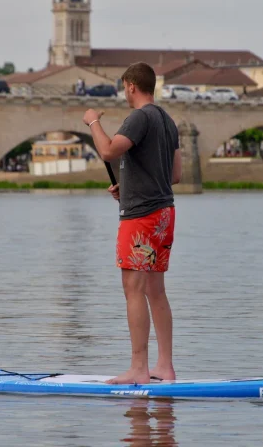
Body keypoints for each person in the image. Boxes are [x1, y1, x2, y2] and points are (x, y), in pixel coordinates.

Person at [83, 62, 182, 385]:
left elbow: (109, 151)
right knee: (156, 291)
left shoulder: (139, 117)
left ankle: (138, 368)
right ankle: (164, 367)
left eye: (123, 88)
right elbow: (175, 176)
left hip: (140, 217)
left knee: (133, 290)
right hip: (164, 214)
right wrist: (129, 187)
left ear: (130, 86)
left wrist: (94, 121)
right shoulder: (167, 121)